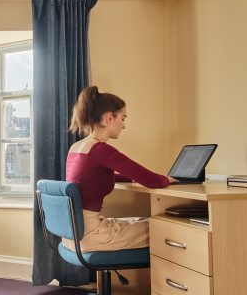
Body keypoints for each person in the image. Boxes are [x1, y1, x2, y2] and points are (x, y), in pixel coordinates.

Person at [65, 86, 173, 252]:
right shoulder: (101, 150)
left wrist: (130, 177)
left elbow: (88, 179)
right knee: (168, 229)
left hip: (72, 233)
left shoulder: (76, 147)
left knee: (143, 220)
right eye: (123, 118)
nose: (123, 126)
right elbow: (152, 181)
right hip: (93, 234)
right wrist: (168, 179)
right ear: (109, 117)